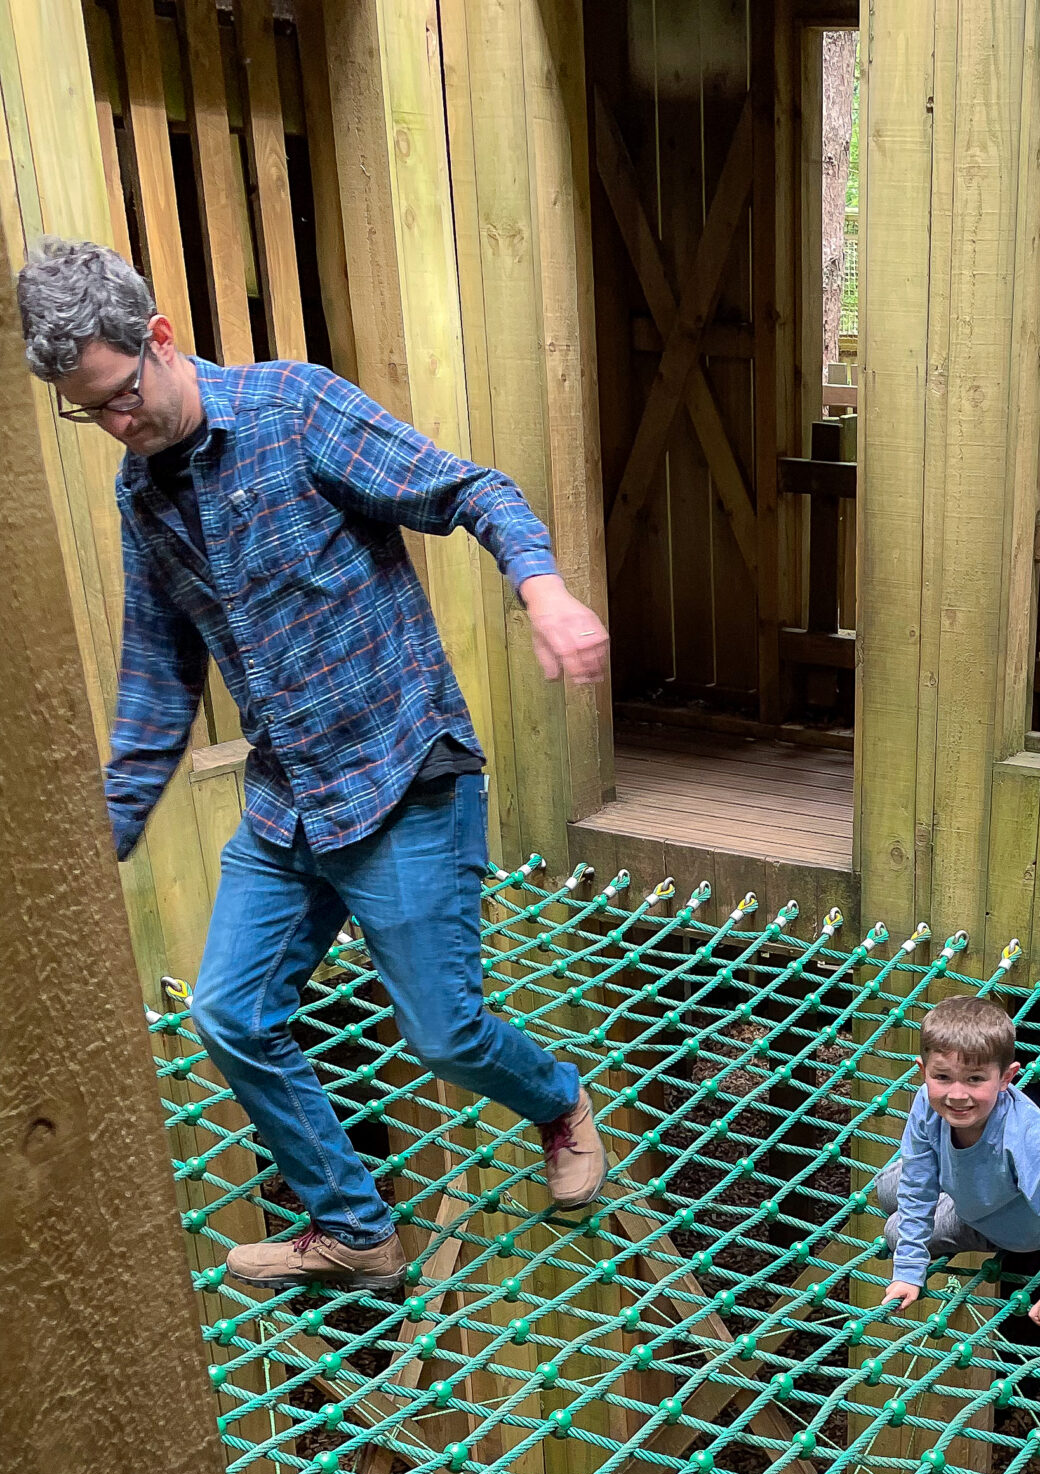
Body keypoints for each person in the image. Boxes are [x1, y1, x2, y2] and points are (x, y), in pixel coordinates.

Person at [15, 237, 611, 1291]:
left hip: (402, 779)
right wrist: (100, 842)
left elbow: (470, 490)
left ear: (159, 339)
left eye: (120, 395)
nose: (115, 425)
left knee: (443, 1033)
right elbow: (157, 680)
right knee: (229, 1014)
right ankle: (355, 1229)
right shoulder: (142, 497)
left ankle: (559, 1100)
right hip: (289, 803)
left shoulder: (295, 409)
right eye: (88, 413)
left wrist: (544, 589)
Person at [877, 997, 1040, 1339]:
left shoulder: (1023, 1134)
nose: (957, 1095)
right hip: (972, 1185)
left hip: (1011, 1227)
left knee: (894, 1231)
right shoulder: (926, 1101)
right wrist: (908, 1269)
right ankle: (947, 1191)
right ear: (923, 1071)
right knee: (887, 1188)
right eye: (942, 1077)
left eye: (975, 1079)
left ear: (1007, 1077)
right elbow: (918, 1183)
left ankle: (948, 1200)